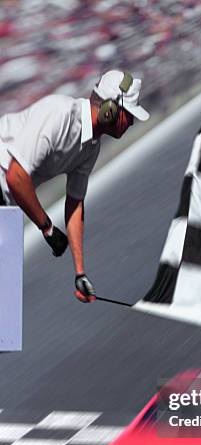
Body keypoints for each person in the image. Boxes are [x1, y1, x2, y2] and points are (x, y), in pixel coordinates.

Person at [0, 69, 150, 302]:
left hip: (7, 206)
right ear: (110, 110)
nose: (130, 122)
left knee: (6, 312)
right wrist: (47, 228)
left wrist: (80, 272)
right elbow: (16, 177)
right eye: (128, 114)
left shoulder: (91, 148)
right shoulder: (59, 114)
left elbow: (75, 202)